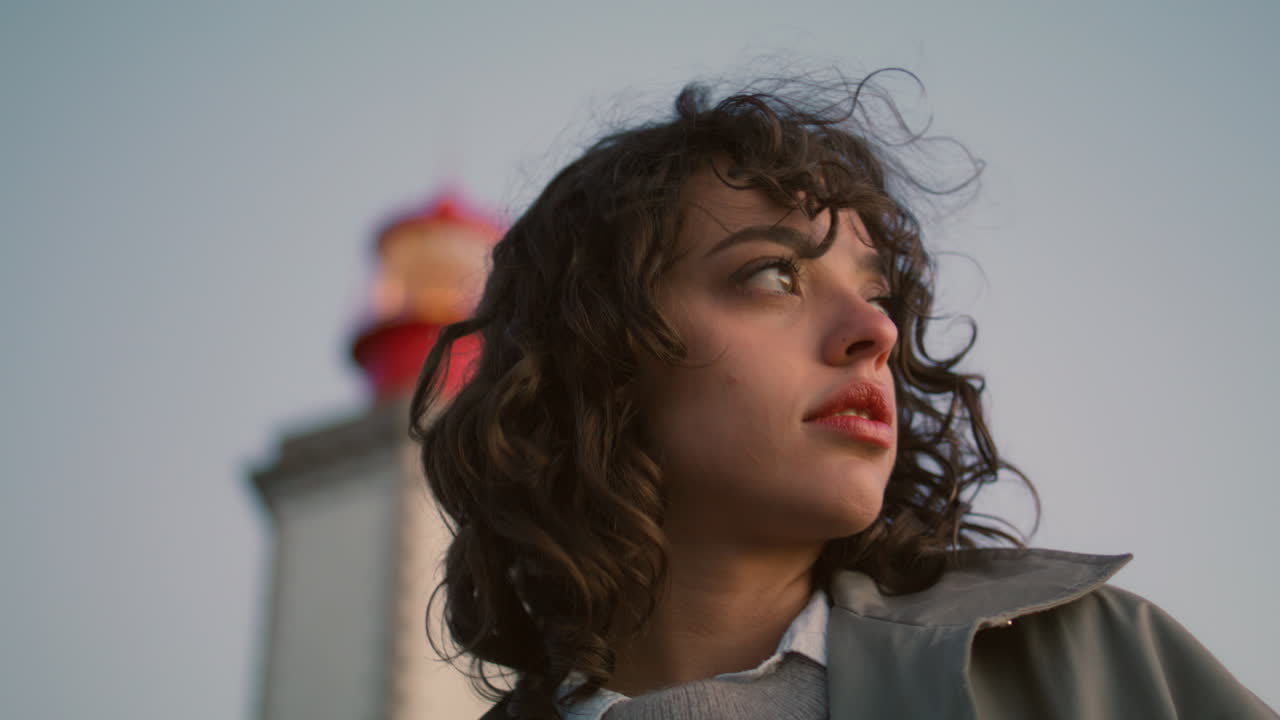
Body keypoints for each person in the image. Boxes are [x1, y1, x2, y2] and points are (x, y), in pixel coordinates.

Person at [408, 71, 1276, 719]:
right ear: (600, 351)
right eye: (774, 274)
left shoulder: (1099, 669)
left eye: (880, 294)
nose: (876, 332)